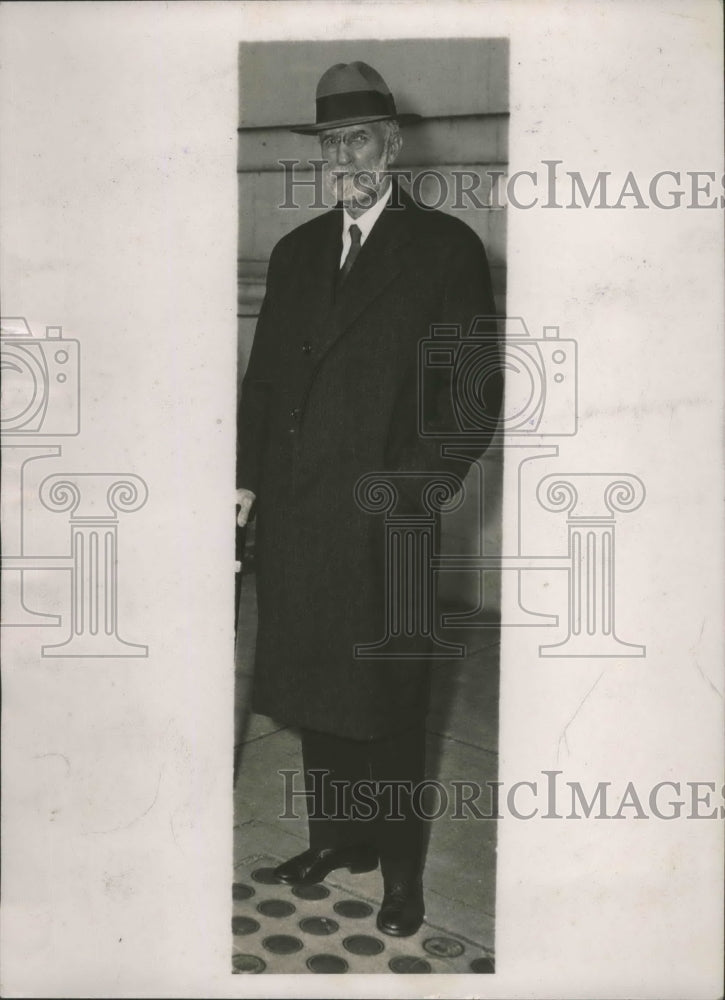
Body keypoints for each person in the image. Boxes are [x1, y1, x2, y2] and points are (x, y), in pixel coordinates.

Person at [236, 60, 502, 937]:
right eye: (329, 143)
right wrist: (241, 483)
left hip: (387, 524)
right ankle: (335, 842)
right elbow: (264, 384)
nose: (343, 156)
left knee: (387, 706)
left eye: (358, 138)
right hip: (297, 516)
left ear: (390, 145)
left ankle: (399, 876)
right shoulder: (296, 250)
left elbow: (470, 399)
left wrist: (412, 495)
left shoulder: (445, 249)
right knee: (317, 693)